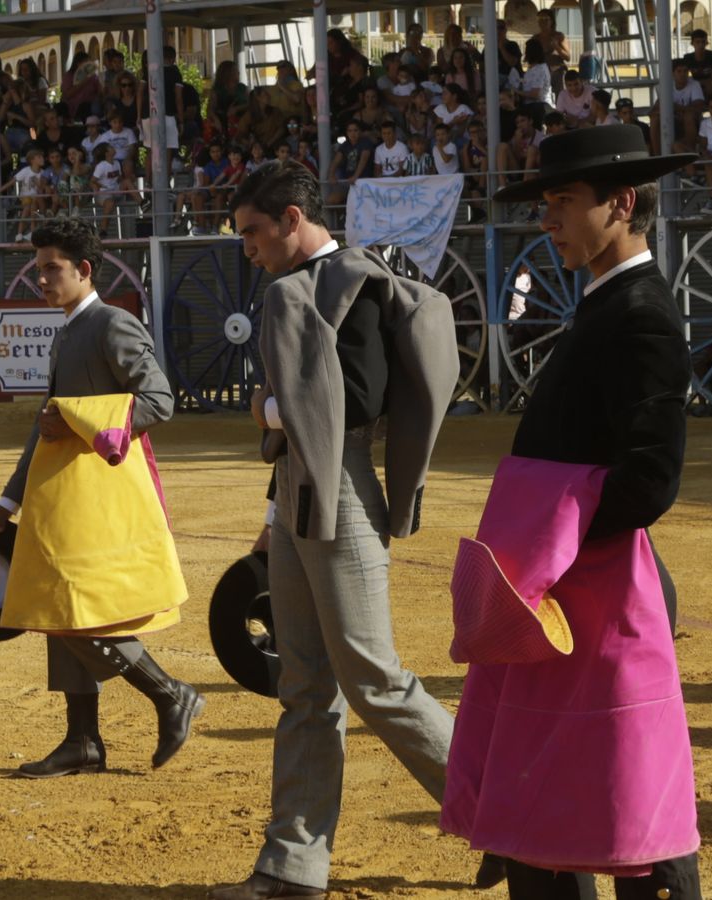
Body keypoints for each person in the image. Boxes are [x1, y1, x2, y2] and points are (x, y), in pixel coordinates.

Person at [443, 121, 701, 900]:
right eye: (546, 202)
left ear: (620, 204)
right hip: (568, 593)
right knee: (575, 800)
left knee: (625, 807)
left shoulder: (640, 312)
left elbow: (650, 480)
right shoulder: (609, 302)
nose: (547, 218)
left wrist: (551, 537)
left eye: (562, 201)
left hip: (594, 590)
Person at [212, 159, 462, 899]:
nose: (248, 248)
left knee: (374, 680)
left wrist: (266, 408)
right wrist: (271, 518)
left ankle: (509, 817)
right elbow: (307, 430)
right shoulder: (315, 284)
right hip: (302, 494)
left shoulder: (348, 281)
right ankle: (292, 866)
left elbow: (357, 399)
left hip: (343, 491)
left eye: (254, 231)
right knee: (305, 685)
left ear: (292, 219)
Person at [0, 217, 203, 780]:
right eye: (37, 270)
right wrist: (10, 499)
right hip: (66, 500)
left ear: (84, 269)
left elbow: (158, 400)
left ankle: (169, 693)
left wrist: (81, 423)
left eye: (51, 268)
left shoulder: (112, 324)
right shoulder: (67, 331)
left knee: (75, 609)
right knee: (61, 608)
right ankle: (82, 740)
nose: (41, 279)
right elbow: (46, 424)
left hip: (102, 501)